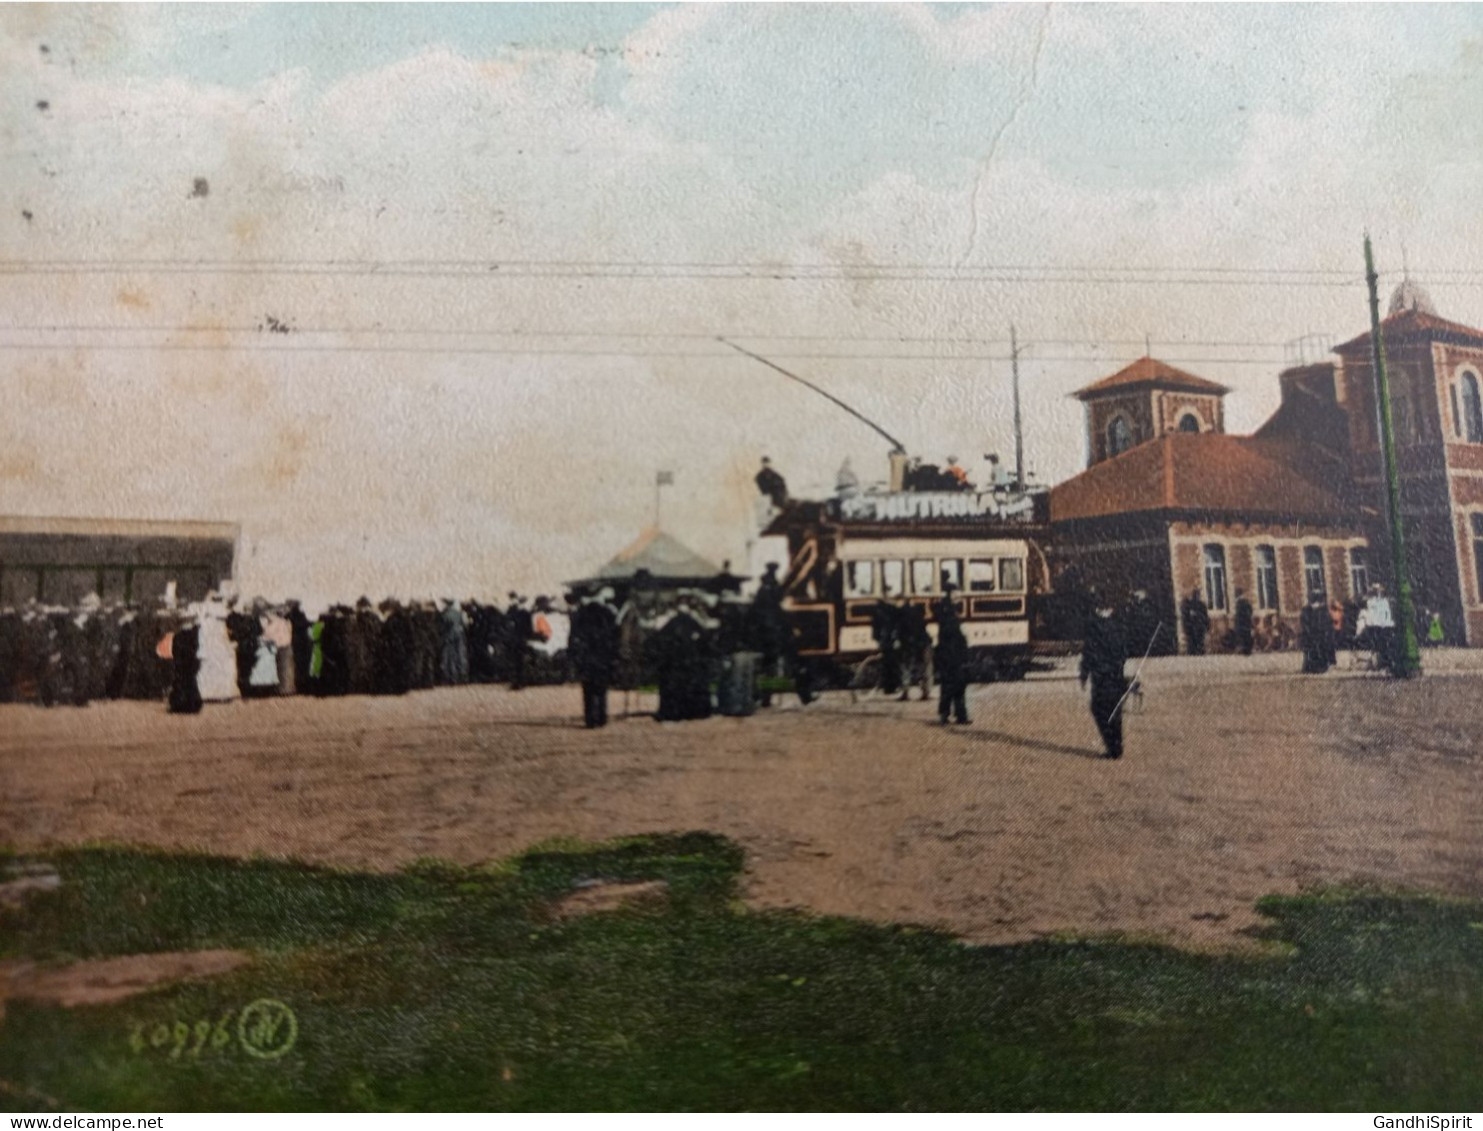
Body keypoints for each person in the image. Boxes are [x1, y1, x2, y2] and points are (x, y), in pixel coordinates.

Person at [1080, 601, 1130, 759]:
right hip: (1116, 676)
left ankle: (1112, 746)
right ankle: (1117, 747)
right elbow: (1124, 652)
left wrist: (1084, 674)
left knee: (1099, 708)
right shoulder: (1119, 626)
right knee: (1115, 711)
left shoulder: (1094, 628)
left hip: (1100, 677)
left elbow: (1088, 652)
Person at [569, 588, 620, 728]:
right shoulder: (608, 613)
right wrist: (614, 656)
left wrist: (574, 656)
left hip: (586, 656)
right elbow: (614, 637)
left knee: (588, 689)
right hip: (603, 656)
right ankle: (602, 717)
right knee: (602, 688)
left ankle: (590, 719)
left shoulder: (579, 614)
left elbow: (573, 637)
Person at [933, 585, 970, 725]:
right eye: (956, 594)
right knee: (956, 685)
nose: (959, 597)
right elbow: (953, 634)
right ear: (950, 595)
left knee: (950, 685)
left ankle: (950, 714)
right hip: (952, 655)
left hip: (949, 654)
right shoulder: (949, 612)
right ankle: (957, 715)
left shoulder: (947, 609)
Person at [167, 619, 203, 715]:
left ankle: (181, 704)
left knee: (183, 681)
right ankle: (190, 704)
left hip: (184, 661)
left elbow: (176, 650)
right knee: (189, 681)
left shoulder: (180, 635)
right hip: (189, 661)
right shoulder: (193, 633)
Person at [871, 596, 902, 697]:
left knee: (886, 663)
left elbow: (875, 627)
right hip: (889, 639)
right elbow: (896, 625)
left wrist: (877, 638)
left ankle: (888, 687)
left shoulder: (877, 610)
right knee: (892, 663)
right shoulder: (892, 609)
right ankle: (892, 686)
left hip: (884, 639)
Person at [1299, 597, 1333, 674]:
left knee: (1314, 652)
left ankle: (1313, 667)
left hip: (1314, 635)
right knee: (1315, 651)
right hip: (1315, 635)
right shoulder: (1321, 610)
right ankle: (1317, 667)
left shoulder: (1308, 610)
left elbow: (1304, 623)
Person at [1180, 589, 1210, 656]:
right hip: (1192, 628)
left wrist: (1207, 626)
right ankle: (1194, 653)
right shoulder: (1190, 605)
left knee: (1199, 643)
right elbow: (1186, 618)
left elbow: (1205, 616)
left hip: (1199, 628)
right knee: (1192, 644)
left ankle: (1199, 652)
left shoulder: (1201, 605)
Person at [1233, 589, 1254, 656]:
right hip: (1246, 623)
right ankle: (1247, 650)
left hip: (1241, 624)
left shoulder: (1239, 603)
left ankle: (1245, 649)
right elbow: (1250, 611)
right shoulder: (1246, 602)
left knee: (1242, 636)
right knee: (1246, 636)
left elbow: (1238, 615)